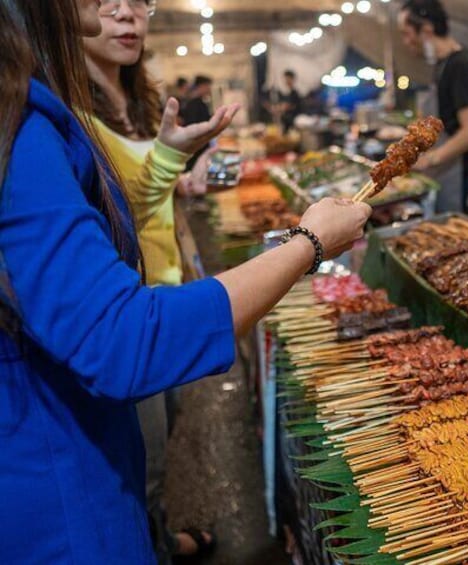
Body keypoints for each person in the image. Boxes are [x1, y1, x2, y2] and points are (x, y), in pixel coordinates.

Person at [0, 1, 371, 563]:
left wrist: (168, 158)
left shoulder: (36, 109)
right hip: (55, 495)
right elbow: (122, 339)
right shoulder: (19, 123)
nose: (116, 8)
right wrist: (309, 244)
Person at [82, 0, 222, 560]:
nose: (126, 16)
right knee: (143, 462)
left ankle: (161, 538)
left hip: (167, 283)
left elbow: (146, 192)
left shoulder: (138, 101)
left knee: (164, 434)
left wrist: (180, 183)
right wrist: (168, 158)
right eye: (106, 2)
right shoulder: (67, 112)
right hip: (128, 304)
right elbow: (118, 213)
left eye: (138, 2)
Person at [398, 0, 468, 212]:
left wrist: (431, 159)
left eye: (407, 33)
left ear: (426, 30)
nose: (405, 42)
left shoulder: (460, 65)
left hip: (457, 169)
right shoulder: (441, 65)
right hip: (444, 167)